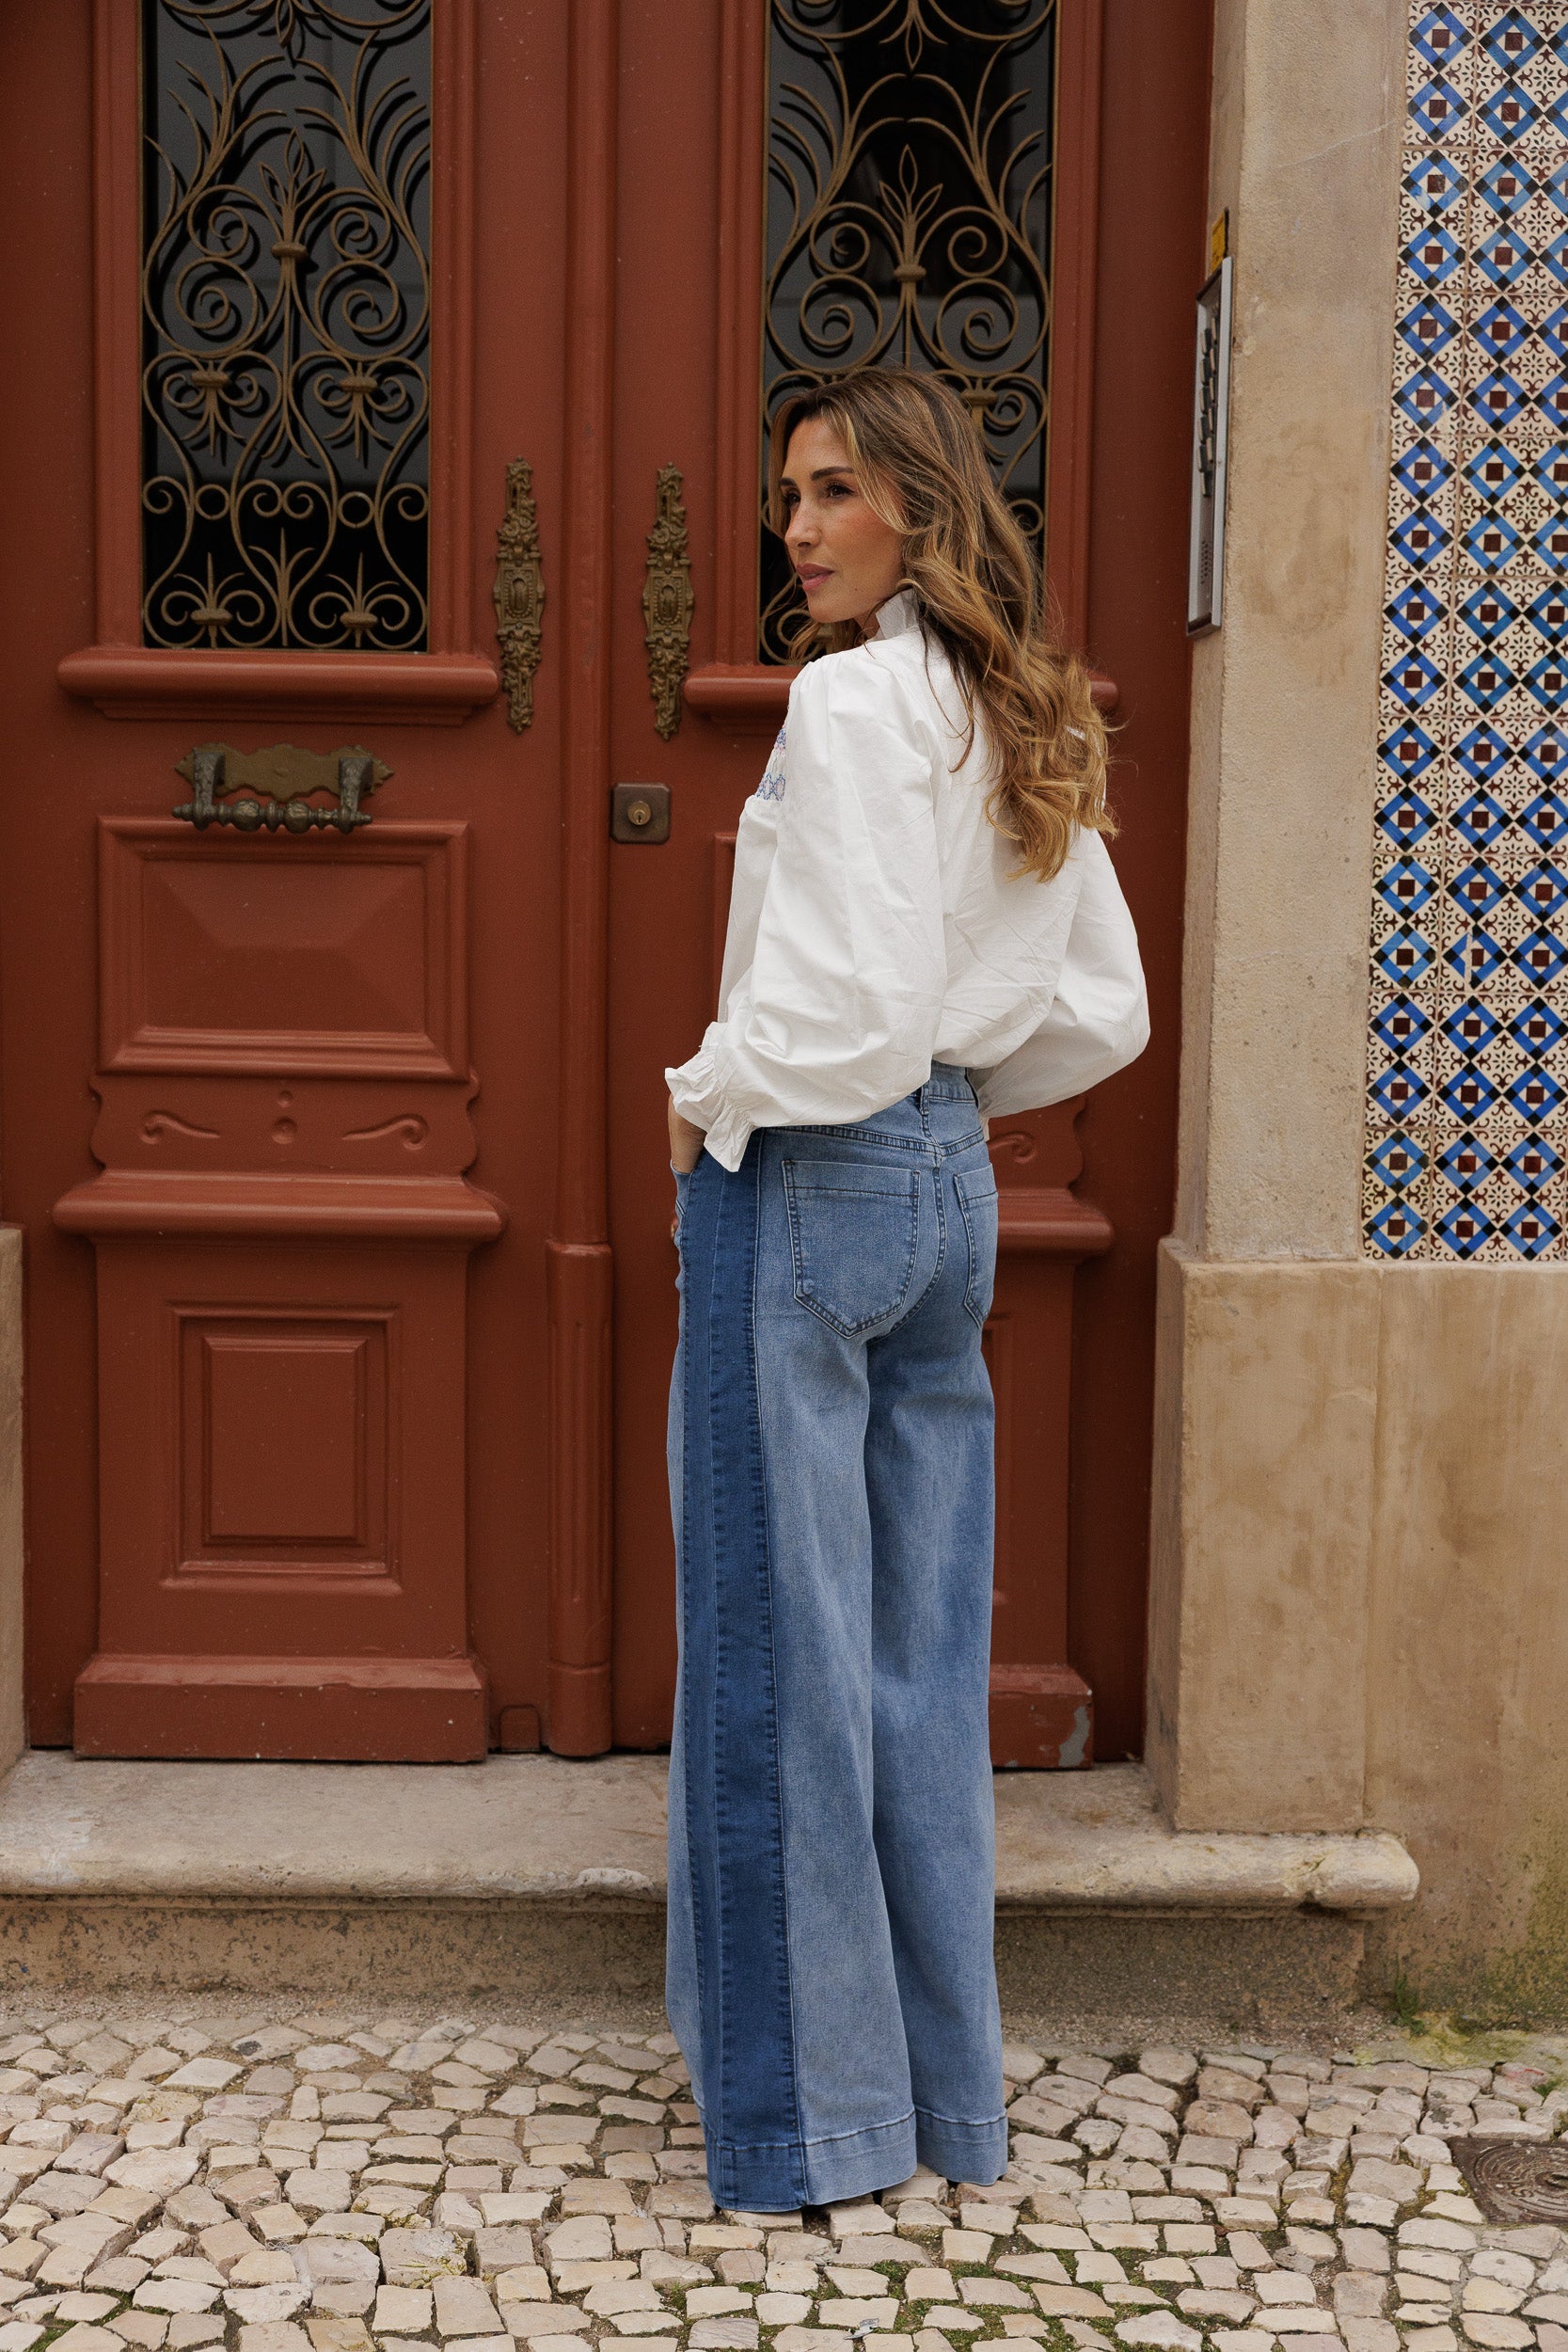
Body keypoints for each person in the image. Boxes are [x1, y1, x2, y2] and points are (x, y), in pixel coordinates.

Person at [662, 367, 1148, 2215]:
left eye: (837, 491)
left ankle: (814, 2128)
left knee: (779, 1655)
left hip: (813, 1169)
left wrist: (715, 1087)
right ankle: (945, 2102)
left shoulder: (856, 698)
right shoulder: (1018, 702)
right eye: (791, 493)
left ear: (921, 510)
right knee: (920, 1661)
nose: (798, 527)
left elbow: (848, 1005)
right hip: (949, 1181)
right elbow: (1101, 1006)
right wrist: (954, 1095)